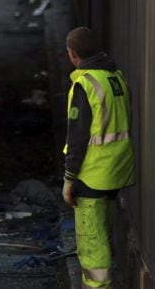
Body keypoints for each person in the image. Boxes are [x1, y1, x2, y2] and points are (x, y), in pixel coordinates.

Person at [63, 26, 135, 289]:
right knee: (103, 233)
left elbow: (78, 138)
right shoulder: (116, 77)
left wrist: (69, 179)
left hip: (92, 172)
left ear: (72, 54)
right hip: (117, 168)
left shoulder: (84, 84)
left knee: (92, 242)